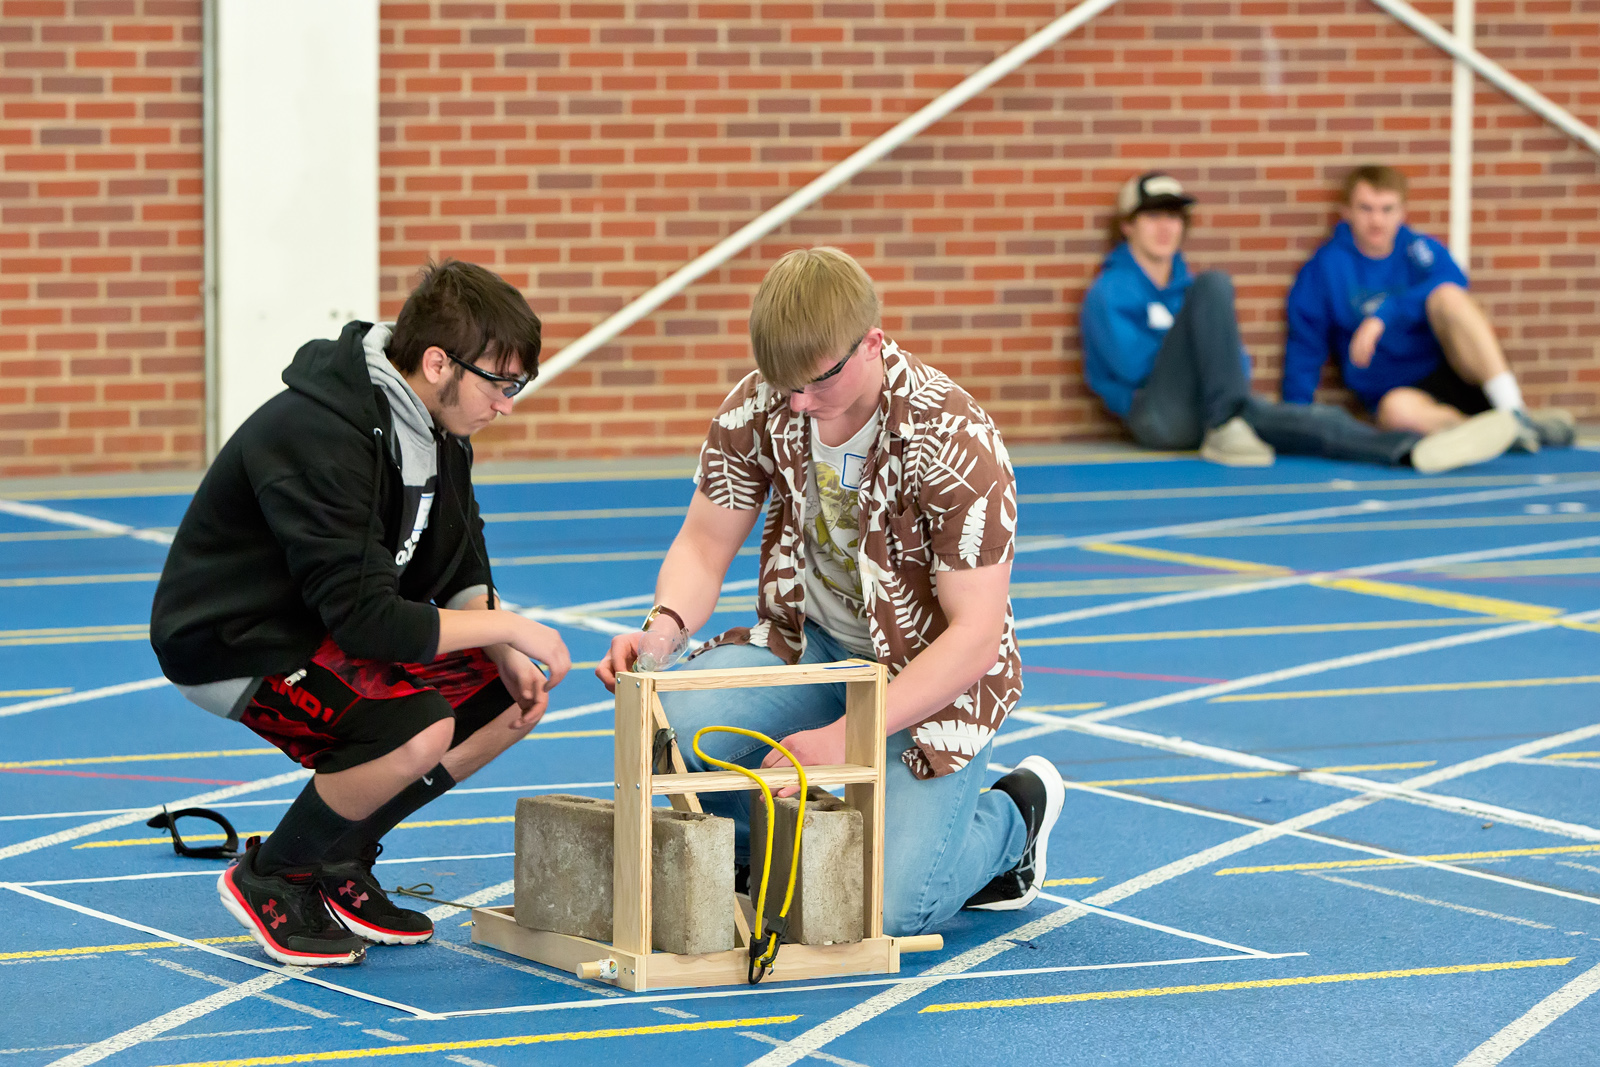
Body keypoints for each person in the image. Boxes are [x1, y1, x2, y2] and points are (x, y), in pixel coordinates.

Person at [596, 247, 1064, 936]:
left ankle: (1012, 818)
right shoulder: (765, 400)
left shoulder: (954, 435)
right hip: (809, 646)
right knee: (674, 729)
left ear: (870, 343)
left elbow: (974, 637)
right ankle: (768, 856)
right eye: (781, 384)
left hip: (926, 675)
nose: (796, 404)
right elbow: (703, 542)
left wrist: (843, 738)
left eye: (814, 384)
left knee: (895, 908)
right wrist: (662, 630)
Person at [150, 261, 571, 967]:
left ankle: (338, 857)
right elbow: (371, 624)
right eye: (502, 384)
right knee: (415, 726)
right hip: (234, 639)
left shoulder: (437, 427)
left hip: (324, 625)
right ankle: (276, 874)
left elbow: (459, 564)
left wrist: (502, 647)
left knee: (509, 695)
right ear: (440, 362)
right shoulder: (321, 433)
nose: (507, 404)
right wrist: (510, 626)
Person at [1081, 171, 1519, 472]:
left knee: (1314, 421)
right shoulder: (1112, 290)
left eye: (1174, 216)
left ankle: (1410, 450)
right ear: (1128, 226)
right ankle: (1227, 424)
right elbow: (1133, 369)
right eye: (1154, 216)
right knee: (1216, 285)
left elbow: (1235, 365)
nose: (1166, 228)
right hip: (1158, 416)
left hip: (1217, 410)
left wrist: (1226, 382)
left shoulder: (1185, 287)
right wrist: (1202, 359)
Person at [1284, 164, 1575, 451]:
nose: (1377, 221)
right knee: (1396, 413)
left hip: (1452, 371)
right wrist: (1294, 418)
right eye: (1366, 209)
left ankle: (1515, 412)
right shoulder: (1325, 267)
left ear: (1403, 212)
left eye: (1387, 209)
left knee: (1447, 296)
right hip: (1396, 394)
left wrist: (1383, 316)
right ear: (1346, 211)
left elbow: (1454, 280)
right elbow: (1305, 345)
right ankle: (1501, 434)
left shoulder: (1418, 249)